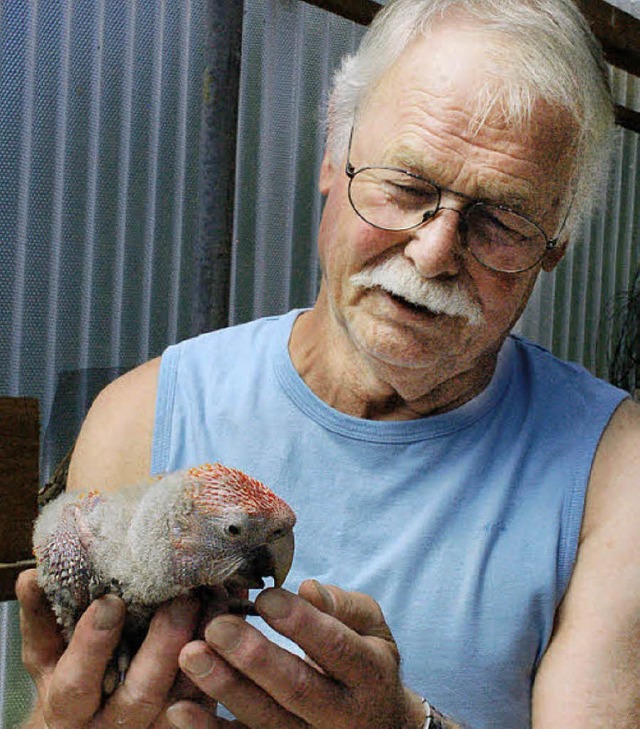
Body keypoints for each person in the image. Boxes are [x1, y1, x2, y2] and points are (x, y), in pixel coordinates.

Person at [16, 0, 640, 726]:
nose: (434, 253)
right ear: (331, 159)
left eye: (503, 218)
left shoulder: (614, 472)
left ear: (556, 244)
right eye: (406, 185)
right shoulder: (138, 417)